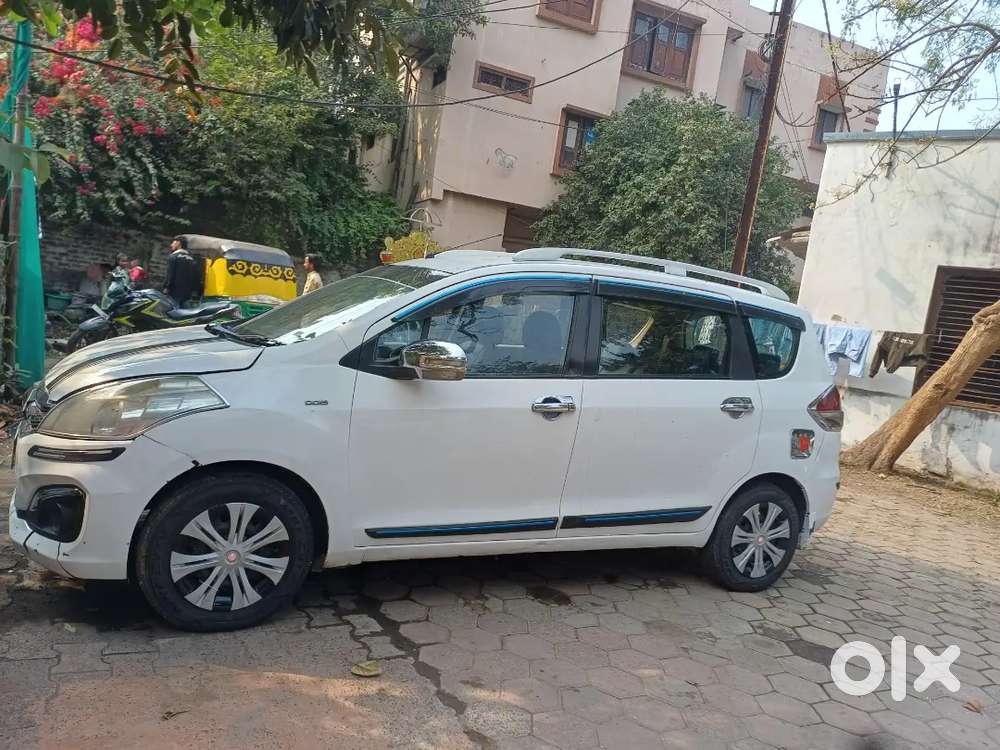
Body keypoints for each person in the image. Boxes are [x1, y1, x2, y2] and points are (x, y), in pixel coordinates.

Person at [163, 237, 201, 306]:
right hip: (187, 294)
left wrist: (166, 287)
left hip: (174, 292)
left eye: (173, 243)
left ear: (178, 243)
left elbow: (170, 274)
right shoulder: (192, 259)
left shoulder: (173, 257)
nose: (171, 245)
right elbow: (196, 277)